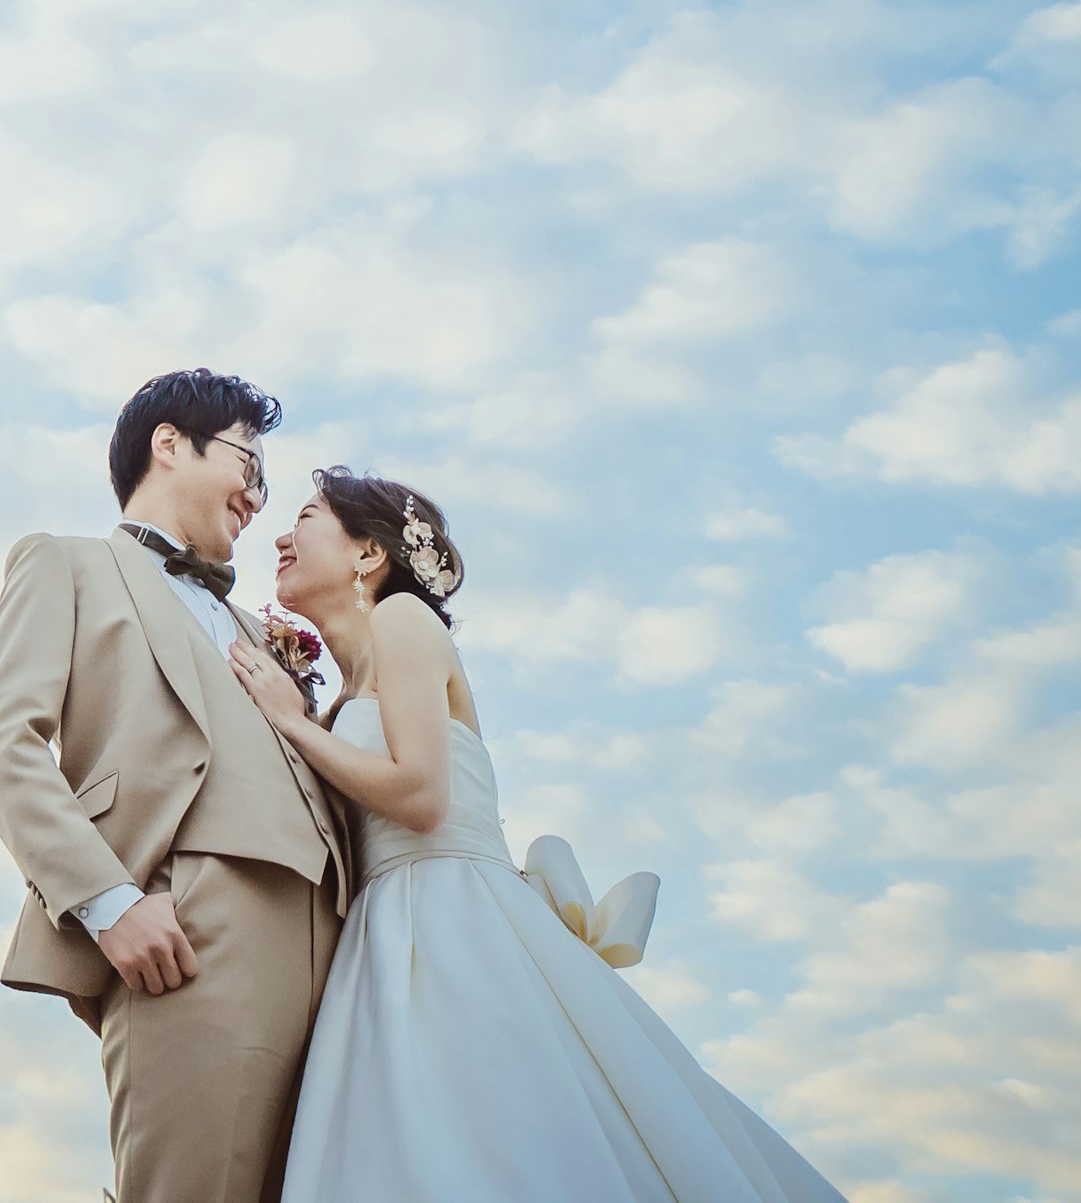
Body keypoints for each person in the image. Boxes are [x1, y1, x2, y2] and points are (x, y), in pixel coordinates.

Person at [222, 467, 849, 1203]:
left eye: (304, 516)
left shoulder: (402, 620)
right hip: (382, 934)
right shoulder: (343, 691)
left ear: (368, 554)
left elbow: (422, 798)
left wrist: (292, 725)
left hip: (451, 920)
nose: (281, 536)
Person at [0, 372, 350, 1203]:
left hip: (340, 941)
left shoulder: (265, 632)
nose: (257, 497)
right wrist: (108, 900)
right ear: (169, 443)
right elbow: (3, 743)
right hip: (188, 924)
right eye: (250, 463)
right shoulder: (64, 565)